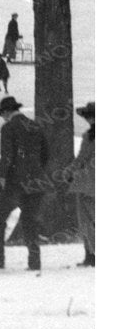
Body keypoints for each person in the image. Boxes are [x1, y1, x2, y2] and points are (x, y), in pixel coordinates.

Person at [0, 95, 50, 271]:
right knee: (30, 222)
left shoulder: (8, 128)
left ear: (7, 112)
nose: (3, 117)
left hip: (16, 184)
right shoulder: (35, 126)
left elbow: (6, 158)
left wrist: (0, 181)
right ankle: (34, 262)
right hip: (36, 182)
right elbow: (45, 155)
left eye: (3, 114)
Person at [67, 102, 94, 267]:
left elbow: (81, 159)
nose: (89, 119)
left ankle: (91, 256)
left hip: (87, 184)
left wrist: (68, 173)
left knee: (86, 221)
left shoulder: (88, 136)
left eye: (90, 116)